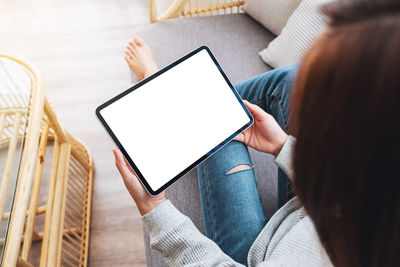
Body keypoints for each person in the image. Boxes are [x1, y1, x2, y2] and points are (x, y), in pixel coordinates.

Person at [113, 0, 400, 266]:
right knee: (291, 78)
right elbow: (342, 190)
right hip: (305, 215)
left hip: (256, 254)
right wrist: (283, 146)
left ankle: (166, 96)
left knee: (219, 126)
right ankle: (190, 111)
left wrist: (155, 209)